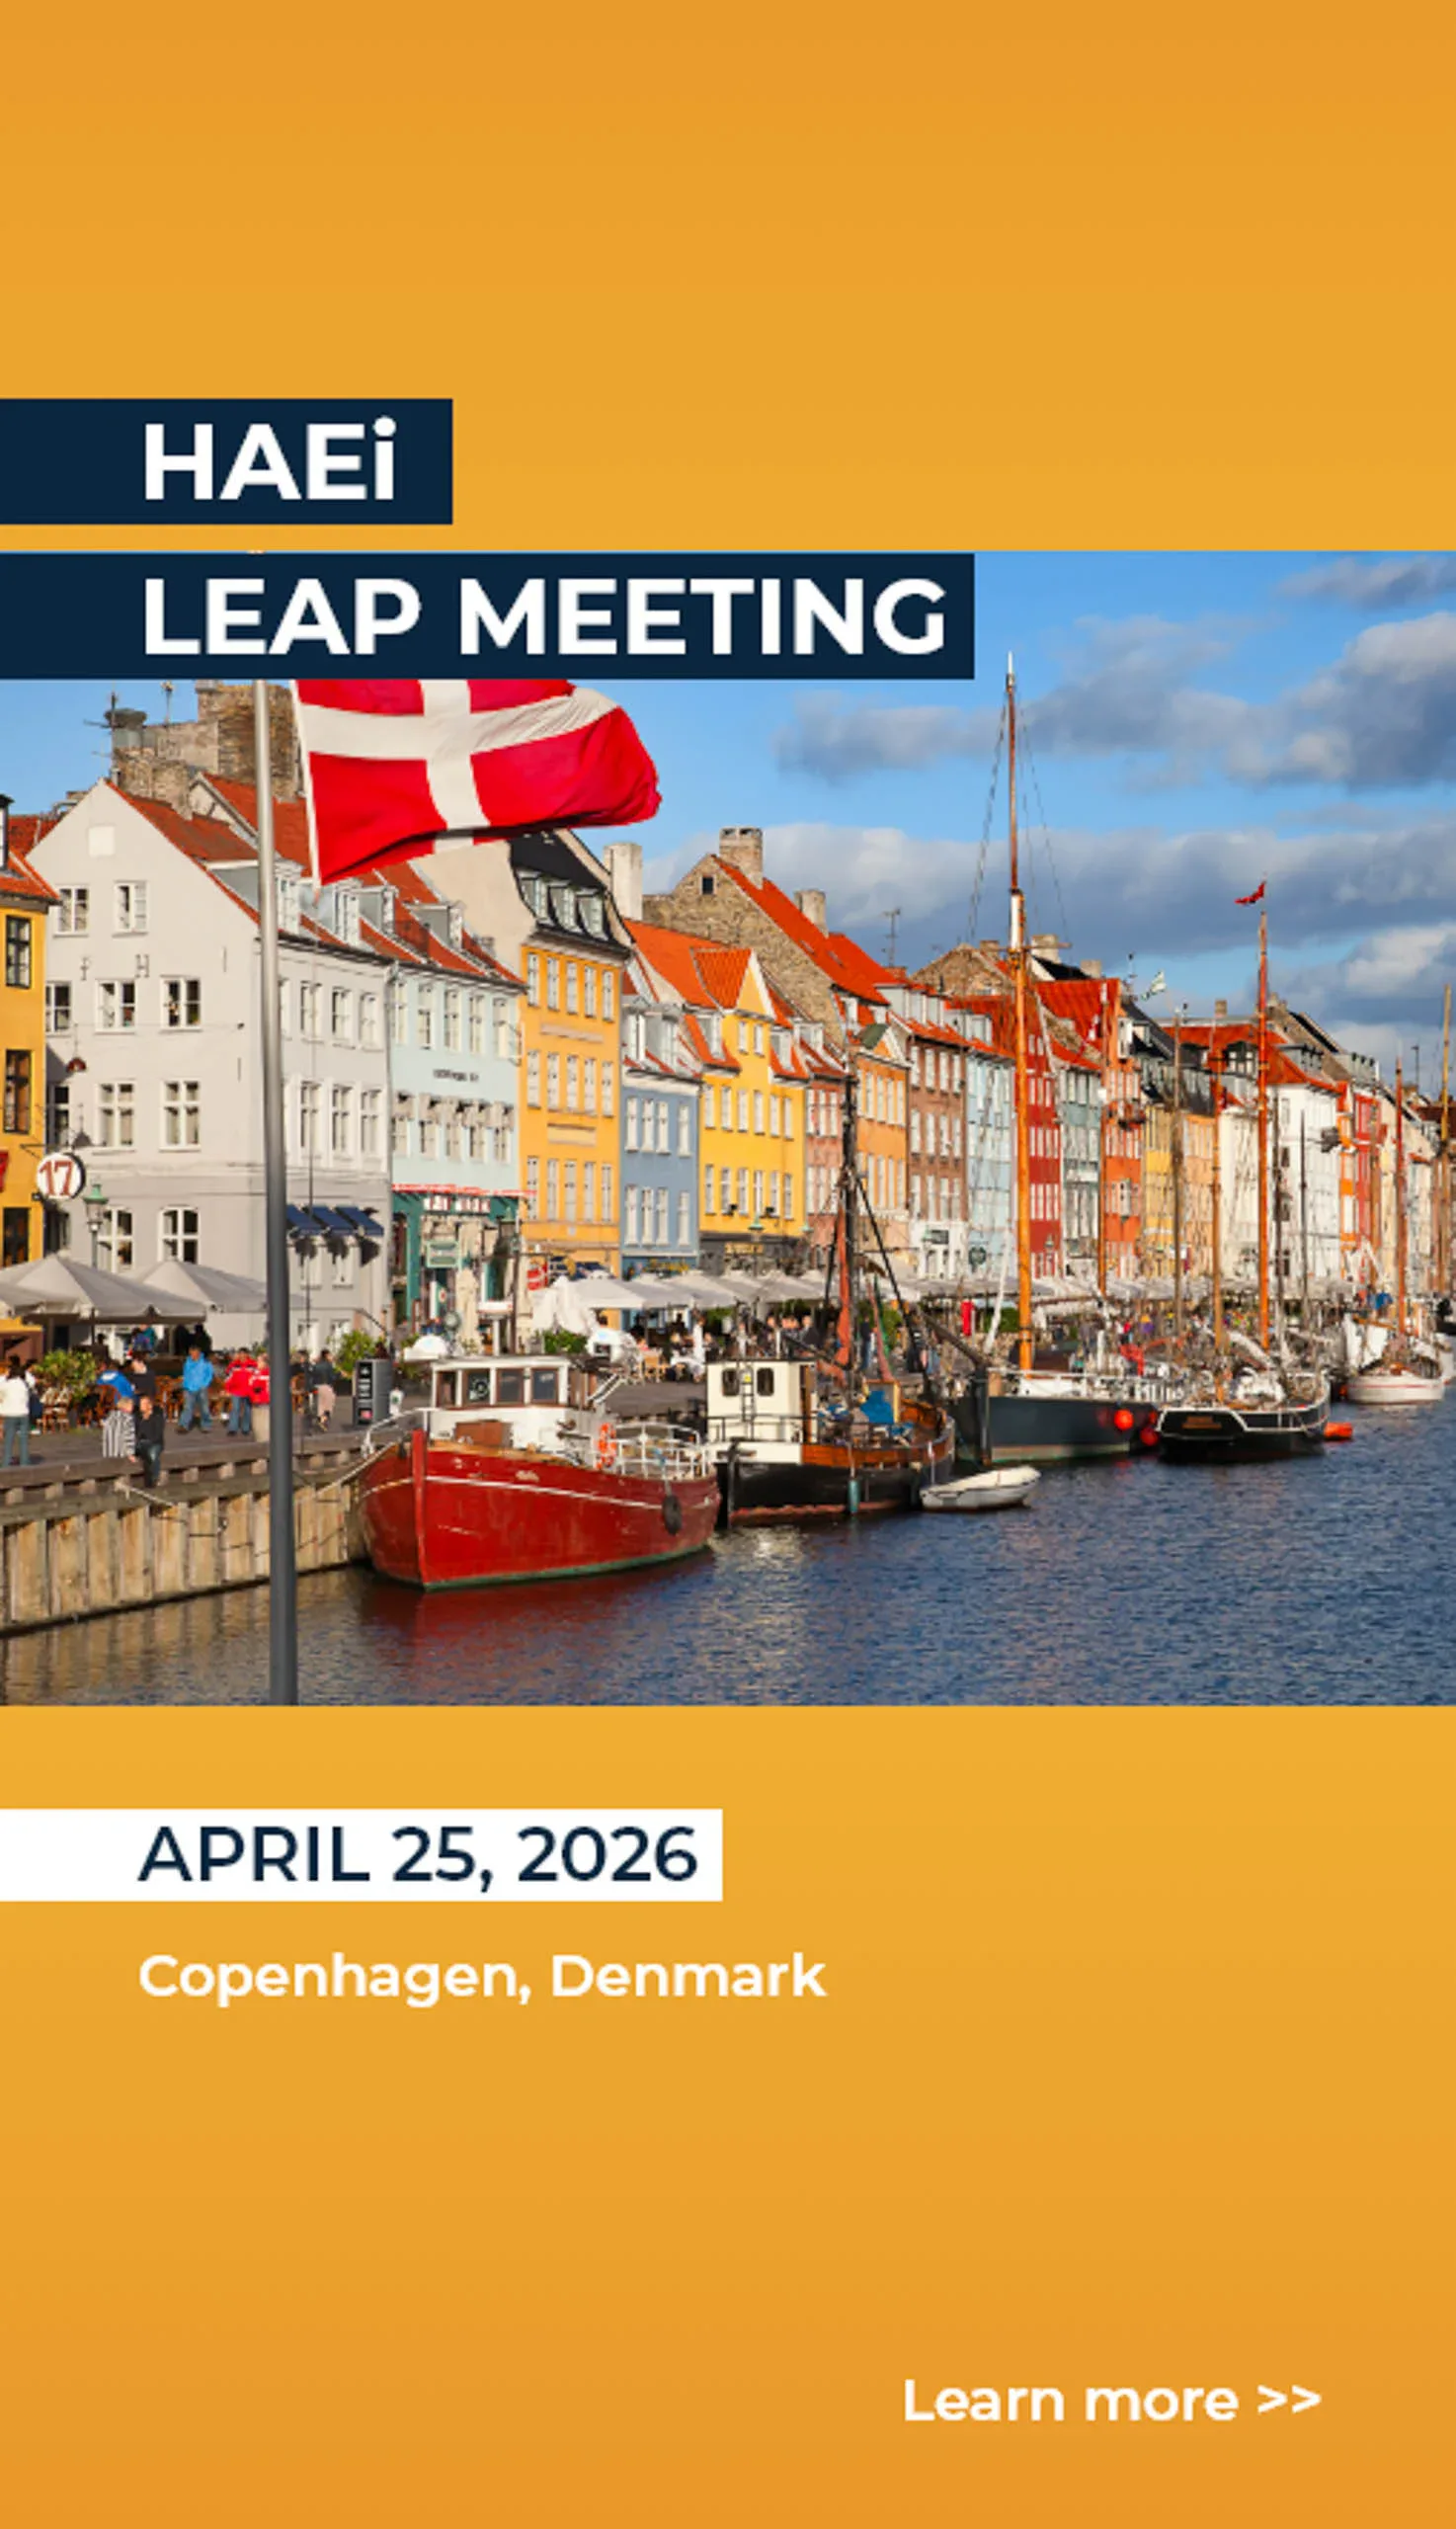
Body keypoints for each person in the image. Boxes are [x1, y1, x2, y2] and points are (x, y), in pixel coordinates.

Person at [1, 1358, 34, 1467]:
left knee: (9, 1440)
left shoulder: (6, 1384)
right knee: (23, 1440)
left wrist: (5, 1376)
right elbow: (32, 1382)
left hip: (10, 1414)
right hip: (23, 1413)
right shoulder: (24, 1385)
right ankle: (24, 1462)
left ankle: (5, 1463)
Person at [99, 1364, 136, 1457]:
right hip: (118, 1402)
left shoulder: (101, 1378)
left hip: (103, 1403)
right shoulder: (120, 1378)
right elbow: (130, 1391)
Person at [178, 1345, 216, 1431]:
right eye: (191, 1352)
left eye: (195, 1352)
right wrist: (185, 1384)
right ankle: (183, 1425)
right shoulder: (187, 1362)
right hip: (189, 1388)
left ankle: (206, 1425)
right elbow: (185, 1373)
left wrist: (205, 1384)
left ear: (198, 1352)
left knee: (204, 1408)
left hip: (201, 1387)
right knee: (187, 1407)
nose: (193, 1354)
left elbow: (209, 1374)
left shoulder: (205, 1362)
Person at [132, 1391, 166, 1488]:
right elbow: (138, 1433)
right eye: (140, 1403)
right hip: (142, 1443)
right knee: (134, 1450)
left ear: (149, 1405)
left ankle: (154, 1478)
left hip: (155, 1443)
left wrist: (147, 1420)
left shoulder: (157, 1416)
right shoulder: (138, 1417)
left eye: (143, 1404)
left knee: (152, 1453)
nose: (141, 1406)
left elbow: (157, 1433)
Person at [222, 1353, 256, 1437]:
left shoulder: (253, 1365)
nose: (242, 1357)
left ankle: (246, 1428)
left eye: (243, 1355)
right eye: (240, 1355)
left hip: (249, 1391)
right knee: (235, 1409)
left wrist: (255, 1389)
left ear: (247, 1355)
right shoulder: (233, 1365)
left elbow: (257, 1377)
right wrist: (227, 1389)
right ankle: (232, 1429)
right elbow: (227, 1378)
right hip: (236, 1391)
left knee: (248, 1410)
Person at [308, 1350, 338, 1430]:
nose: (332, 1357)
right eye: (330, 1355)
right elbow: (332, 1378)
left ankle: (320, 1419)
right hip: (326, 1387)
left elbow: (311, 1377)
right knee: (328, 1406)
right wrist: (339, 1374)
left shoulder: (316, 1365)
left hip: (316, 1387)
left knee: (319, 1406)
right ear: (326, 1355)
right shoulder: (328, 1365)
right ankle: (322, 1421)